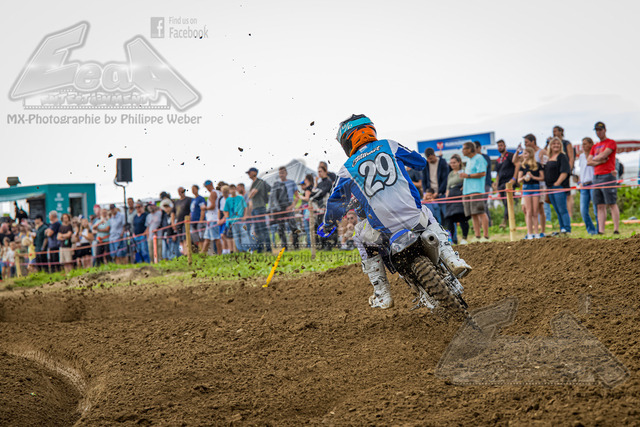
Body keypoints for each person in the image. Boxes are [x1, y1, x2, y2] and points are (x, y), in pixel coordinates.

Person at [319, 114, 471, 309]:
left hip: (385, 230)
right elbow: (421, 162)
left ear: (347, 141)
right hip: (414, 217)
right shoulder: (388, 145)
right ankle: (451, 257)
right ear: (370, 130)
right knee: (427, 212)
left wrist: (328, 225)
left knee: (359, 235)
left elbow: (334, 203)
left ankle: (382, 292)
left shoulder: (346, 169)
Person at [587, 122, 620, 235]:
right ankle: (601, 230)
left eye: (600, 130)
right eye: (597, 130)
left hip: (608, 175)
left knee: (611, 203)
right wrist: (599, 161)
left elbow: (604, 155)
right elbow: (589, 161)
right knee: (599, 204)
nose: (598, 132)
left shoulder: (611, 142)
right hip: (596, 176)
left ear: (605, 130)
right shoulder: (595, 146)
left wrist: (595, 159)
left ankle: (616, 229)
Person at [460, 142, 490, 242]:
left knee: (480, 212)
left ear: (469, 149)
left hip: (476, 190)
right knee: (473, 214)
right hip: (467, 191)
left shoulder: (479, 158)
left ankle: (486, 236)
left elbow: (482, 173)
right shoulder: (469, 160)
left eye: (464, 149)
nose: (462, 151)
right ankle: (477, 236)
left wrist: (467, 176)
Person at [522, 134, 549, 236]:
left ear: (533, 141)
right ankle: (530, 232)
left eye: (527, 142)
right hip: (527, 185)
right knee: (526, 209)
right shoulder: (525, 153)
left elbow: (546, 165)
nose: (525, 144)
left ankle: (541, 231)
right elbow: (516, 161)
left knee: (539, 208)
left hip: (539, 184)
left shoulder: (542, 152)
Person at [544, 137, 572, 234]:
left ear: (560, 146)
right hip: (550, 187)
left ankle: (567, 229)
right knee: (557, 209)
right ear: (550, 146)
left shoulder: (562, 156)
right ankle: (562, 228)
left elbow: (565, 172)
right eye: (554, 143)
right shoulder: (549, 158)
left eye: (558, 143)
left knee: (562, 209)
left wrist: (557, 183)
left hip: (558, 187)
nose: (556, 145)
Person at [269, 167, 300, 250]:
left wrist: (292, 206)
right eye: (280, 173)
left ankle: (296, 246)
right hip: (280, 208)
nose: (281, 175)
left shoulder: (292, 183)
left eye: (282, 173)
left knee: (293, 226)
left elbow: (297, 196)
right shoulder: (276, 185)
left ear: (286, 173)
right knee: (280, 228)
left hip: (289, 206)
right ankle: (284, 247)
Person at [518, 147, 545, 239]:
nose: (524, 155)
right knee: (528, 211)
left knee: (535, 211)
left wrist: (533, 177)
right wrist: (524, 177)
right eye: (523, 153)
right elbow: (519, 180)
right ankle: (530, 233)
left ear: (530, 154)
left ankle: (536, 233)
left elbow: (542, 178)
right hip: (526, 188)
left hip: (535, 187)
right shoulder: (522, 166)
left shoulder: (537, 165)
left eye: (525, 153)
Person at [493, 139, 520, 228]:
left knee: (508, 202)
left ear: (505, 146)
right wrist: (496, 183)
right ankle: (508, 221)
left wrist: (514, 178)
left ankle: (505, 221)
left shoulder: (510, 155)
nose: (500, 147)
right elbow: (498, 173)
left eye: (501, 145)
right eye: (498, 146)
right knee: (505, 203)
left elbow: (517, 165)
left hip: (509, 183)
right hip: (501, 184)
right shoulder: (498, 160)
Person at [444, 154, 469, 245]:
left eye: (454, 162)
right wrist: (447, 195)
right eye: (451, 163)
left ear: (459, 162)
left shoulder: (464, 170)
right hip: (451, 197)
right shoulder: (450, 174)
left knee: (462, 217)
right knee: (449, 219)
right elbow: (448, 186)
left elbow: (467, 181)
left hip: (460, 195)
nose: (452, 164)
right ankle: (451, 240)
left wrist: (464, 187)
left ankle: (464, 238)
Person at [247, 168, 272, 253]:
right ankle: (260, 248)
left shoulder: (259, 182)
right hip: (255, 208)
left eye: (249, 172)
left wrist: (249, 195)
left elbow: (252, 194)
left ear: (254, 172)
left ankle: (268, 248)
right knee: (257, 230)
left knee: (263, 229)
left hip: (260, 208)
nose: (248, 174)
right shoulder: (254, 183)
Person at [553, 126, 576, 219]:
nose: (554, 133)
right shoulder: (552, 143)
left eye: (555, 131)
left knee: (568, 195)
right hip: (557, 172)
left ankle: (569, 215)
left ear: (560, 132)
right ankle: (562, 216)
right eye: (553, 131)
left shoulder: (566, 143)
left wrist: (569, 170)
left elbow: (571, 157)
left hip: (566, 171)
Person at [312, 164, 336, 250]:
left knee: (327, 225)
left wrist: (314, 195)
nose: (319, 173)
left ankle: (329, 244)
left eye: (320, 171)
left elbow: (322, 193)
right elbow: (313, 193)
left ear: (325, 171)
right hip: (319, 208)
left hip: (327, 207)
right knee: (319, 226)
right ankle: (322, 244)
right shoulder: (319, 183)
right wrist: (315, 185)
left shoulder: (328, 182)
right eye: (318, 172)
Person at [577, 137, 597, 235]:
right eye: (582, 144)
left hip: (593, 183)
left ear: (590, 144)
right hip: (584, 185)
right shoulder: (581, 156)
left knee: (596, 208)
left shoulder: (595, 155)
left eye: (585, 144)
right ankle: (591, 230)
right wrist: (579, 181)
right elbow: (581, 170)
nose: (583, 146)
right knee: (583, 210)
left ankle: (599, 229)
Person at [222, 184, 250, 252]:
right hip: (233, 221)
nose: (232, 190)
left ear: (235, 190)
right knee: (236, 236)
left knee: (244, 234)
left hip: (241, 220)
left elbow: (245, 207)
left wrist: (245, 216)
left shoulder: (240, 198)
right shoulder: (228, 200)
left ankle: (247, 249)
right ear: (229, 190)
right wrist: (227, 218)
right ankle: (240, 250)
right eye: (231, 189)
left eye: (233, 189)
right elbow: (225, 210)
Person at [202, 180, 222, 255]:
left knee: (216, 238)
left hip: (213, 218)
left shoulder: (213, 193)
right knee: (207, 238)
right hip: (211, 218)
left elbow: (213, 206)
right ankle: (202, 255)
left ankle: (220, 254)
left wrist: (205, 208)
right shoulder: (217, 192)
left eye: (207, 186)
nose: (206, 188)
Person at [174, 187, 192, 253]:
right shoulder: (177, 202)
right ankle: (184, 252)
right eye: (179, 191)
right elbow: (173, 212)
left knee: (185, 237)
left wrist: (190, 218)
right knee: (181, 239)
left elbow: (191, 210)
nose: (181, 193)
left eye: (182, 191)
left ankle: (187, 252)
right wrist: (173, 223)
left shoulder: (189, 200)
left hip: (186, 222)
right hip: (179, 223)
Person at [190, 185, 206, 252]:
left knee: (201, 237)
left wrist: (201, 220)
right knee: (196, 238)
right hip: (193, 221)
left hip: (199, 221)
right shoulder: (193, 200)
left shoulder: (200, 199)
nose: (193, 190)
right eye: (192, 189)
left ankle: (203, 251)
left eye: (194, 189)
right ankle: (200, 251)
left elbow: (203, 209)